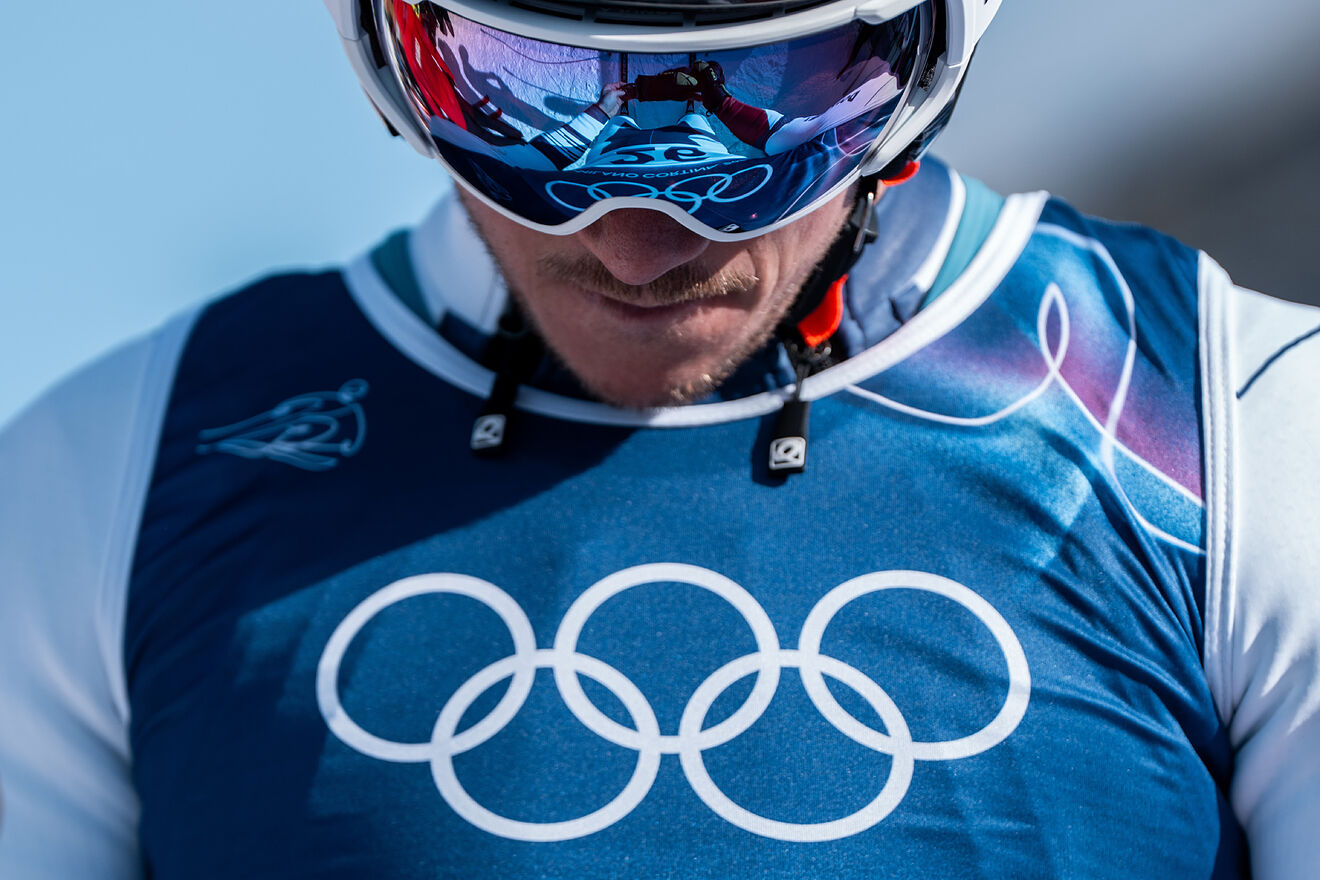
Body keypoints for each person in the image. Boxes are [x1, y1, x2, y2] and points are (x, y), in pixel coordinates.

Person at [1, 0, 1317, 877]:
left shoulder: (1243, 427)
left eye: (759, 108)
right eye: (528, 102)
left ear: (931, 63)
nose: (633, 236)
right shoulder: (102, 476)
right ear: (388, 51)